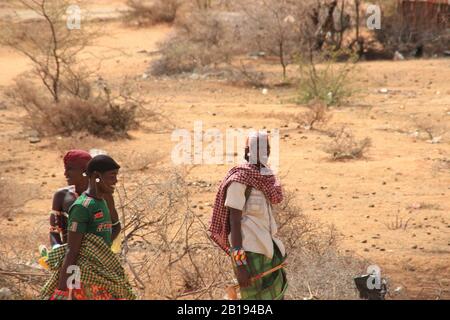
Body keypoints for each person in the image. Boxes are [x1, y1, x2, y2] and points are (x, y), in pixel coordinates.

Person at [41, 155, 134, 300]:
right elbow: (72, 250)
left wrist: (99, 253)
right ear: (97, 176)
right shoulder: (82, 207)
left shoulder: (102, 201)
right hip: (85, 279)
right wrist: (61, 290)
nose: (115, 181)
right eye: (112, 176)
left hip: (102, 272)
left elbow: (112, 230)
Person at [209, 131, 288, 300]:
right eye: (258, 148)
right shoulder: (239, 180)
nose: (263, 153)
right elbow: (234, 223)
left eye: (266, 148)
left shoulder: (266, 178)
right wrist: (240, 265)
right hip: (250, 255)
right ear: (247, 151)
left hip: (271, 250)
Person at [49, 150, 121, 247]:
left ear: (84, 171)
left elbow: (115, 225)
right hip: (68, 254)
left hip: (97, 256)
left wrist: (101, 248)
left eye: (69, 169)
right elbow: (54, 230)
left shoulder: (104, 196)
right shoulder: (61, 195)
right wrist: (56, 249)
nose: (65, 174)